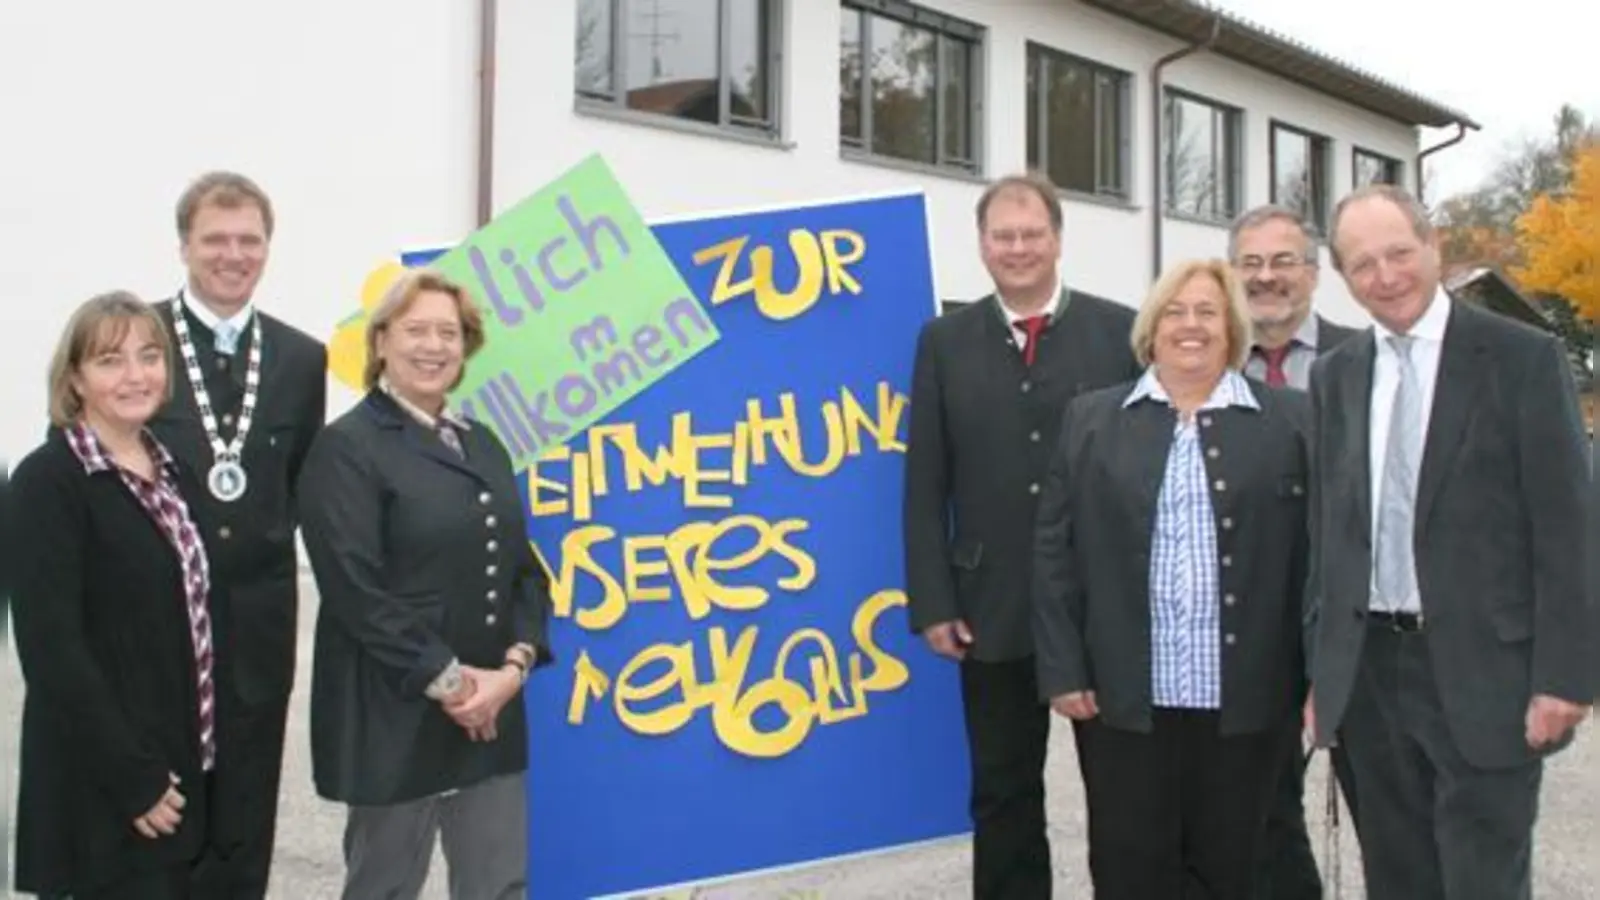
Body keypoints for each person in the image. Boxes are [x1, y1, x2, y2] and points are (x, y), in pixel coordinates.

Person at [1305, 184, 1593, 899]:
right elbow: (1329, 538)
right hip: (1370, 674)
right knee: (1398, 881)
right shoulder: (1336, 376)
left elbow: (1568, 526)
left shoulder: (1520, 358)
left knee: (1482, 883)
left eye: (1399, 252)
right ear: (1344, 278)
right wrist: (1322, 671)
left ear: (1434, 247)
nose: (1386, 275)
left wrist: (1566, 675)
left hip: (1483, 674)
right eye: (1363, 264)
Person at [1032, 258, 1311, 898]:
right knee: (1130, 868)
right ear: (1151, 330)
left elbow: (1319, 558)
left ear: (1233, 329)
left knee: (1234, 867)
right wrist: (1064, 669)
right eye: (1175, 312)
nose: (1191, 326)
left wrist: (1317, 674)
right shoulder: (1093, 421)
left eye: (1208, 312)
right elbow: (1054, 553)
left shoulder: (1292, 421)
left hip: (1246, 700)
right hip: (1125, 701)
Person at [903, 171, 1141, 899]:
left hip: (1102, 610)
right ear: (981, 246)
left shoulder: (1120, 332)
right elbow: (925, 481)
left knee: (1125, 798)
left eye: (1031, 234)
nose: (1018, 248)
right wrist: (933, 601)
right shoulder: (944, 340)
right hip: (988, 607)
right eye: (1003, 236)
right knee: (1003, 794)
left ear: (1058, 240)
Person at [297, 268, 553, 899]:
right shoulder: (347, 447)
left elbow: (524, 571)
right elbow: (355, 589)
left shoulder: (483, 444)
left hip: (490, 715)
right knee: (384, 887)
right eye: (415, 330)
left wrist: (511, 672)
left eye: (449, 332)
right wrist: (454, 683)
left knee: (498, 887)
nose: (433, 346)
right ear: (380, 341)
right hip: (396, 713)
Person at [11, 291, 232, 898]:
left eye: (149, 356)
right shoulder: (48, 483)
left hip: (182, 768)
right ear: (75, 378)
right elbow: (52, 651)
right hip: (108, 786)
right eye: (111, 360)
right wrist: (134, 779)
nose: (136, 375)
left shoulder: (175, 470)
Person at [144, 170, 327, 898]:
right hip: (157, 622)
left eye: (249, 240)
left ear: (267, 249)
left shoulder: (301, 358)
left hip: (258, 624)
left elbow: (303, 490)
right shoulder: (139, 341)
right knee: (161, 805)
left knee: (245, 810)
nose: (233, 254)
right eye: (215, 239)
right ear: (184, 246)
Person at [1226, 204, 1361, 900]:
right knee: (1261, 810)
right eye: (1250, 264)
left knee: (1382, 811)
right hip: (1245, 629)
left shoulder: (1362, 357)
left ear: (1312, 272)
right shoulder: (1205, 363)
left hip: (1348, 621)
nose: (1266, 278)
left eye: (1283, 262)